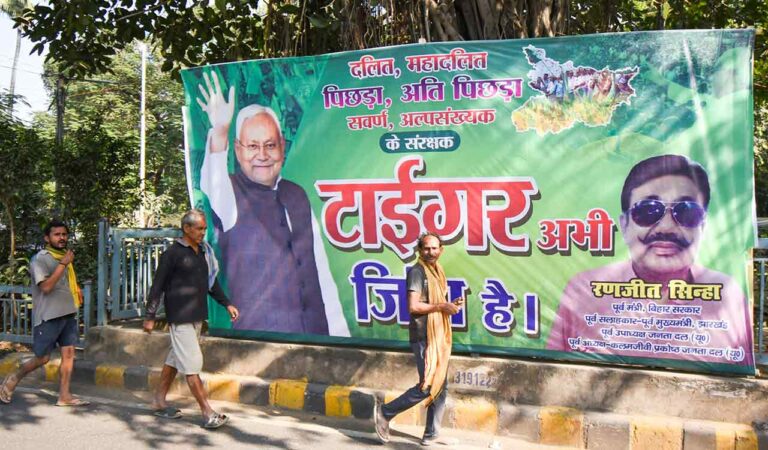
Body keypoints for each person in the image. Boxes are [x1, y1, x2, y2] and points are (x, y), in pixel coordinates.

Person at [547, 154, 754, 366]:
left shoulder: (727, 294)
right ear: (625, 225)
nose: (666, 227)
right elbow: (553, 370)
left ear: (703, 226)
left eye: (687, 212)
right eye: (648, 211)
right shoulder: (584, 291)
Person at [196, 71, 348, 336]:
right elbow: (213, 180)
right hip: (259, 337)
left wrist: (339, 335)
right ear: (238, 149)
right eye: (252, 146)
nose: (263, 155)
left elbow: (321, 274)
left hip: (314, 337)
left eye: (270, 145)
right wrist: (219, 130)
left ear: (282, 148)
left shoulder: (296, 194)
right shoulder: (229, 195)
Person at [143, 209, 240, 429]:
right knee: (192, 365)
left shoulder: (203, 252)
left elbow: (211, 284)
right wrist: (150, 315)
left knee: (175, 360)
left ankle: (158, 400)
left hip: (197, 317)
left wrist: (227, 304)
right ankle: (207, 412)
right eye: (199, 228)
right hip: (180, 317)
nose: (202, 233)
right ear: (186, 228)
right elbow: (157, 286)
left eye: (204, 229)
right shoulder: (173, 254)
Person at [373, 232, 463, 446]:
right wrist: (442, 306)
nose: (431, 252)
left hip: (436, 335)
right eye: (426, 248)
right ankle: (385, 412)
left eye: (434, 248)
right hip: (424, 337)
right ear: (419, 250)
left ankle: (431, 433)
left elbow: (432, 301)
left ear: (441, 249)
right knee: (428, 385)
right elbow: (414, 306)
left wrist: (449, 304)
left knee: (440, 385)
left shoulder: (436, 271)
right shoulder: (417, 272)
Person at [0, 220, 89, 406]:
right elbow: (47, 287)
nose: (62, 237)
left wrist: (75, 287)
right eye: (57, 234)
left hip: (68, 313)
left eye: (64, 234)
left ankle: (64, 396)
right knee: (43, 357)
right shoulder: (40, 259)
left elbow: (63, 282)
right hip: (48, 315)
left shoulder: (64, 257)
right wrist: (63, 264)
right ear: (47, 238)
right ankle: (13, 378)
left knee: (69, 354)